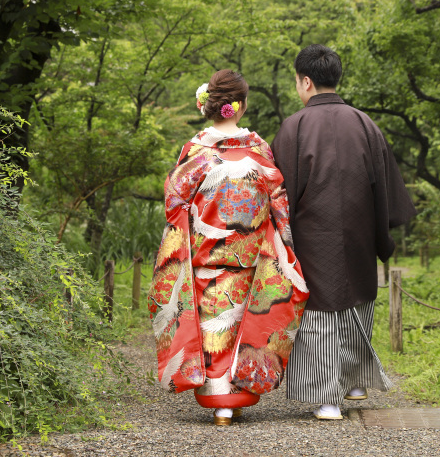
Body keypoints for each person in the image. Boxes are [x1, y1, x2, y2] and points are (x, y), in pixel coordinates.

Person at [148, 69, 309, 426]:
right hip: (248, 257)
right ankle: (234, 397)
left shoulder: (196, 151)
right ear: (242, 105)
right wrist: (278, 240)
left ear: (208, 105)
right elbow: (279, 203)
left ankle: (217, 399)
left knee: (210, 327)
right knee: (241, 324)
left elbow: (175, 204)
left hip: (206, 257)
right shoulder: (260, 151)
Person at [271, 44, 416, 420]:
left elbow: (278, 191)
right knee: (355, 305)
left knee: (319, 316)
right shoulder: (365, 123)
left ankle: (327, 400)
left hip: (311, 239)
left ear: (305, 81)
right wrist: (379, 232)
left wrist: (278, 241)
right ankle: (354, 382)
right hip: (359, 234)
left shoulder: (294, 127)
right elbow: (385, 187)